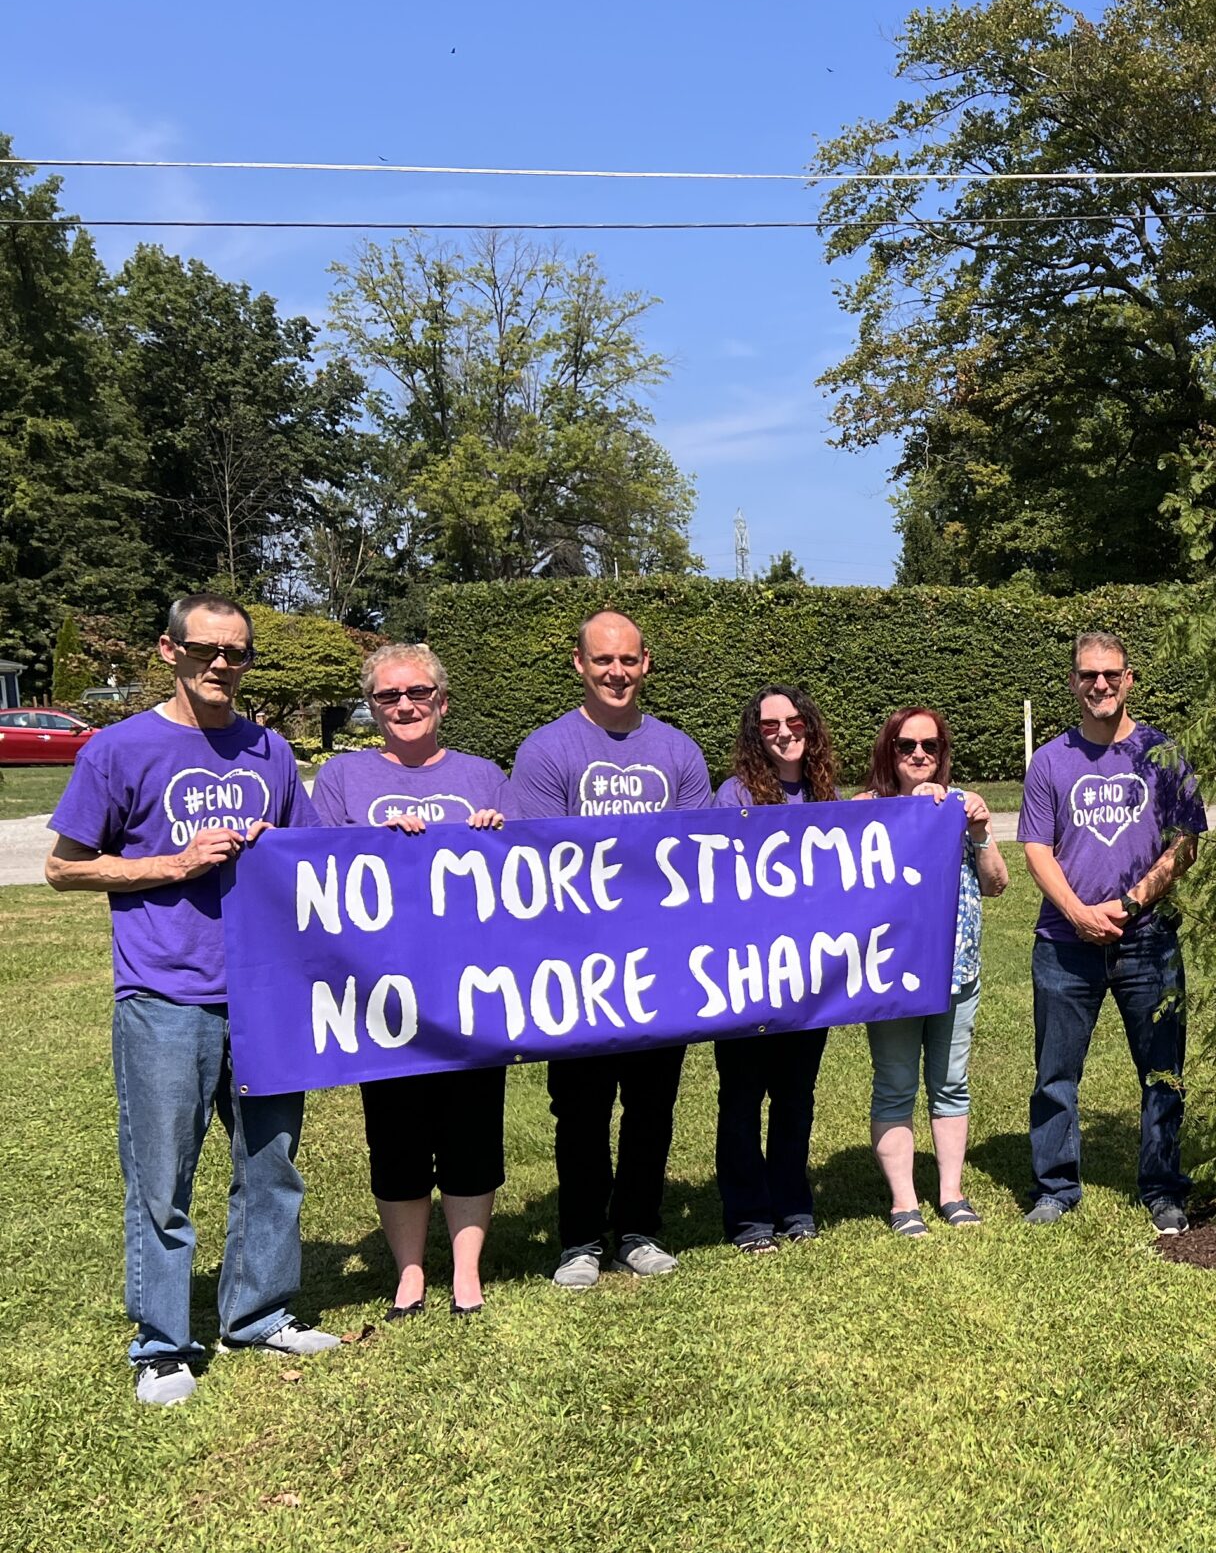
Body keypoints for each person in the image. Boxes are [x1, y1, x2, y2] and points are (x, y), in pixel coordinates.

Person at [45, 594, 340, 1405]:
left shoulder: (271, 751)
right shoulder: (117, 749)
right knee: (161, 1179)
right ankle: (162, 1346)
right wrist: (168, 865)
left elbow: (308, 855)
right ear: (168, 651)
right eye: (205, 649)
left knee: (270, 1165)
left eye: (236, 652)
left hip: (265, 996)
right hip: (165, 996)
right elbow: (64, 867)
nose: (221, 664)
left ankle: (259, 1314)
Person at [502, 610, 714, 1287]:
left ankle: (637, 1230)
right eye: (603, 661)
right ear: (580, 664)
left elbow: (700, 860)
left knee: (653, 1105)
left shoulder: (679, 752)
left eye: (627, 660)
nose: (616, 673)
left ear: (645, 663)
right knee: (582, 1109)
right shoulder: (546, 751)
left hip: (661, 963)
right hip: (576, 963)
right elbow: (532, 865)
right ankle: (579, 1239)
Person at [311, 643, 510, 1319]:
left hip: (471, 989)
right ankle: (409, 1271)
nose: (403, 706)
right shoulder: (341, 779)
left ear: (442, 702)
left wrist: (496, 832)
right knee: (394, 1130)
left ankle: (466, 1271)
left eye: (417, 693)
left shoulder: (485, 777)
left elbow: (525, 876)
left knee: (472, 1127)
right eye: (388, 697)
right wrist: (374, 842)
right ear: (371, 707)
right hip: (378, 992)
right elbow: (312, 871)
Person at [1018, 632, 1204, 1235]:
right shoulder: (1049, 761)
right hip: (1063, 945)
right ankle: (1056, 1187)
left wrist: (1130, 901)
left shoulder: (1162, 752)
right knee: (1055, 1075)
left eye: (1110, 674)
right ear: (1073, 681)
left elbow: (1185, 842)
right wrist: (1077, 912)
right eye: (1087, 675)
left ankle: (1162, 1188)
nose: (1099, 684)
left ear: (1129, 679)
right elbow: (1036, 850)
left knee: (1161, 1072)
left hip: (1148, 940)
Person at [856, 707, 1008, 1238]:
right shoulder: (864, 810)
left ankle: (951, 1193)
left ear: (943, 753)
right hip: (894, 976)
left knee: (951, 1085)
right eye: (906, 745)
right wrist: (910, 815)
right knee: (895, 1084)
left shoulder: (962, 806)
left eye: (931, 745)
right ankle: (904, 1203)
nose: (919, 754)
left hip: (956, 972)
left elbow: (996, 884)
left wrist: (982, 831)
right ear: (889, 751)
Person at [708, 686, 842, 1253]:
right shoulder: (733, 794)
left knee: (796, 1095)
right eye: (769, 726)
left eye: (794, 721)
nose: (784, 732)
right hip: (745, 973)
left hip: (809, 977)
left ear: (809, 727)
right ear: (754, 736)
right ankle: (747, 1215)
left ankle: (792, 1202)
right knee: (741, 1097)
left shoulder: (824, 795)